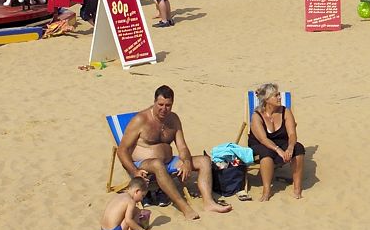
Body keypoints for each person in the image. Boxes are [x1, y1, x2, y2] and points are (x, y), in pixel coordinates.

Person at [117, 86, 232, 217]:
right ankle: (184, 208)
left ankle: (209, 202)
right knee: (157, 164)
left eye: (168, 105)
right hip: (143, 164)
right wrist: (134, 171)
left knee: (204, 161)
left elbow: (182, 147)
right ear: (154, 102)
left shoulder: (173, 119)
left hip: (169, 161)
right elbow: (122, 150)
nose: (164, 109)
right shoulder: (140, 120)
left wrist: (187, 162)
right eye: (160, 104)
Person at [248, 81, 305, 200]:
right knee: (266, 152)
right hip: (260, 144)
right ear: (267, 99)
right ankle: (267, 190)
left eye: (279, 94)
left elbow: (292, 134)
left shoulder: (285, 111)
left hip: (281, 142)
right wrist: (278, 150)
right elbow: (263, 139)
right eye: (276, 95)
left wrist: (290, 147)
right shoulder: (257, 116)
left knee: (298, 148)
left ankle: (297, 188)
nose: (279, 97)